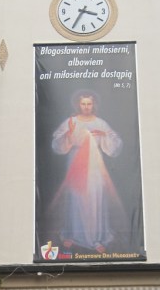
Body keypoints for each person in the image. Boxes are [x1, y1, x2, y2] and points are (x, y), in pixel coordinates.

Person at [49, 91, 124, 253]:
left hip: (95, 163)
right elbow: (57, 142)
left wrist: (104, 135)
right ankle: (73, 234)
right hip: (76, 161)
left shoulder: (100, 123)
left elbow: (115, 142)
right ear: (78, 104)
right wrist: (69, 133)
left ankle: (95, 238)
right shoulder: (71, 122)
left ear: (93, 104)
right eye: (83, 104)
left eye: (89, 104)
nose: (86, 107)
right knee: (76, 198)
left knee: (94, 197)